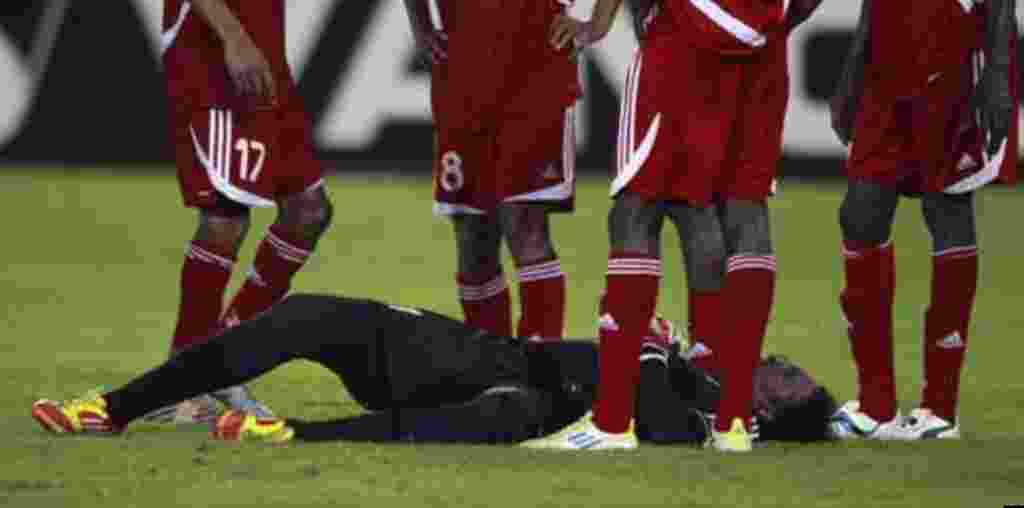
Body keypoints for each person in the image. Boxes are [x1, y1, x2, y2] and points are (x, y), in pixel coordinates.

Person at [521, 0, 824, 452]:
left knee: (636, 209)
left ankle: (611, 421)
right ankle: (734, 421)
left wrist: (600, 23)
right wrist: (780, 21)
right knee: (742, 210)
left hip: (687, 36)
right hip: (765, 49)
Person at [31, 294, 836, 445]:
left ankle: (290, 434)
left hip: (508, 388)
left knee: (484, 418)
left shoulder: (698, 419)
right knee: (309, 314)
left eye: (788, 379)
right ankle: (113, 406)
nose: (776, 360)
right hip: (482, 355)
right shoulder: (703, 378)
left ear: (768, 415)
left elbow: (648, 414)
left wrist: (653, 348)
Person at [828, 0, 1016, 440]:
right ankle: (876, 407)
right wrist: (853, 67)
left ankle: (940, 407)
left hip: (952, 41)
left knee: (947, 206)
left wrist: (1000, 70)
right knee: (859, 215)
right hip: (885, 61)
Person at [158, 0, 334, 416]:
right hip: (212, 56)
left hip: (265, 56)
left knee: (308, 211)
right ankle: (185, 384)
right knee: (225, 216)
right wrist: (234, 38)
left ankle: (215, 359)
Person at [402, 0, 581, 340]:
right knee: (473, 234)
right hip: (462, 83)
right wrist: (421, 27)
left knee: (524, 221)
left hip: (537, 77)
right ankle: (490, 369)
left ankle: (540, 371)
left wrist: (594, 25)